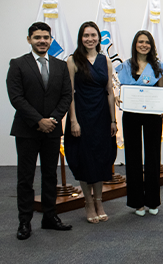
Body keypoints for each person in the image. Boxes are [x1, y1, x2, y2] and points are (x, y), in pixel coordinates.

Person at [7, 22, 73, 240]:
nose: (42, 41)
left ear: (51, 40)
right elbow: (16, 98)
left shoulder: (60, 66)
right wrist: (38, 121)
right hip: (27, 130)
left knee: (49, 175)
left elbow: (66, 96)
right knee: (25, 177)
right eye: (37, 37)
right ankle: (24, 222)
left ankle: (49, 217)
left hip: (52, 130)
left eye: (46, 37)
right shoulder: (17, 64)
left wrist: (52, 120)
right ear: (29, 40)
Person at [64, 21, 117, 224]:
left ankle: (99, 202)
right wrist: (73, 121)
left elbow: (110, 93)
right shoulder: (73, 60)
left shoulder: (106, 60)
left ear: (99, 37)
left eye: (93, 35)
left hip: (102, 117)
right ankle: (88, 203)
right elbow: (70, 94)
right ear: (81, 38)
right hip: (82, 117)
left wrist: (113, 120)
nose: (90, 39)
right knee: (85, 160)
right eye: (86, 35)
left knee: (101, 159)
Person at [115, 30, 163, 217]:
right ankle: (137, 202)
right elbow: (119, 90)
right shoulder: (124, 67)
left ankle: (153, 200)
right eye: (140, 42)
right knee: (133, 156)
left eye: (147, 42)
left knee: (153, 156)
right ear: (135, 44)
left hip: (152, 115)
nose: (144, 45)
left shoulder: (158, 67)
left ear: (152, 46)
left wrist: (162, 107)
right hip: (131, 115)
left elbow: (161, 90)